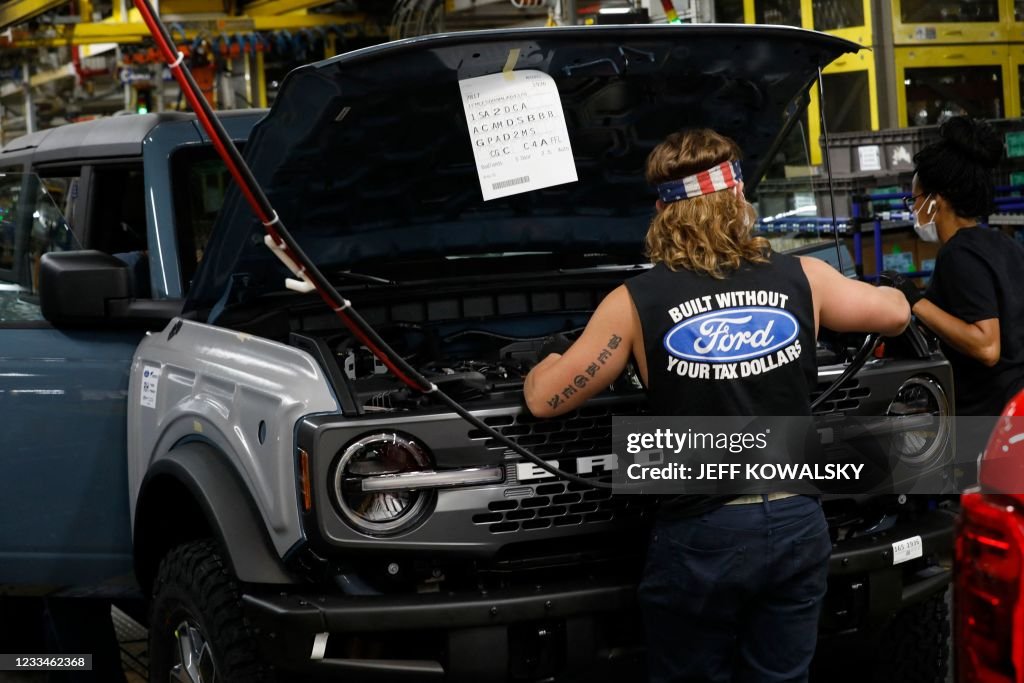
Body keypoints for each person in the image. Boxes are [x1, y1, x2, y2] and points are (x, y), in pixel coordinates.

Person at [523, 128, 910, 683]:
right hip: (798, 520)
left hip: (703, 533)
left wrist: (543, 359)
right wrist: (894, 288)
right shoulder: (806, 276)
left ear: (663, 214)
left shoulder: (633, 302)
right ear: (738, 200)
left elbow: (544, 400)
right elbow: (894, 315)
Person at [886, 116, 1024, 419]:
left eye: (916, 199)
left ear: (937, 201)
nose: (914, 209)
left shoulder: (959, 255)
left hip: (986, 416)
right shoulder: (1000, 243)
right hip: (1013, 406)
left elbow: (987, 346)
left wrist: (914, 300)